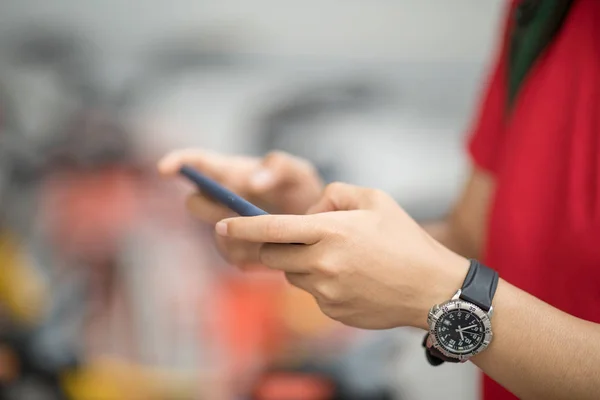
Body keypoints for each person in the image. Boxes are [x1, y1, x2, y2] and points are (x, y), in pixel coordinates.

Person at [158, 0, 600, 399]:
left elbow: (450, 279)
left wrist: (445, 298)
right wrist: (316, 224)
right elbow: (472, 239)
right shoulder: (541, 14)